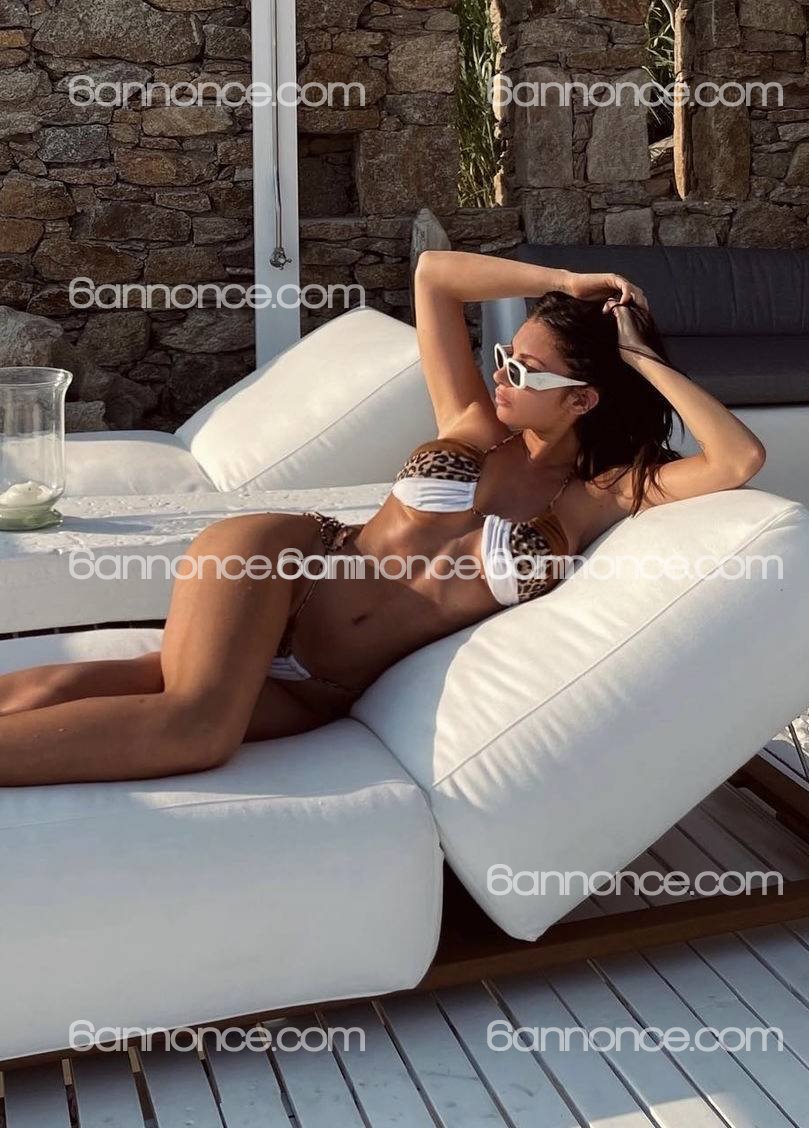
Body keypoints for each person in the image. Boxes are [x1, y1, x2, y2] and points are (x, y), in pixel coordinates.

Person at [0, 251, 765, 786]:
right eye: (504, 357)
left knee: (121, 694)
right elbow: (435, 277)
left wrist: (640, 358)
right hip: (280, 567)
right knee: (195, 728)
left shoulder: (601, 493)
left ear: (584, 398)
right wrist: (564, 281)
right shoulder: (473, 420)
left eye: (524, 371)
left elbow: (738, 460)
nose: (501, 375)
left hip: (321, 687)